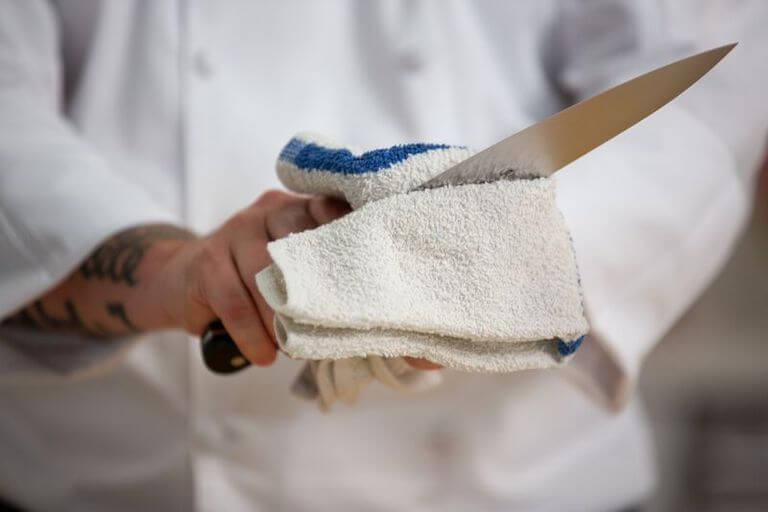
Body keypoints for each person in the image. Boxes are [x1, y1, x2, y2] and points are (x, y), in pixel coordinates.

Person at [0, 1, 766, 510]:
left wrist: (491, 271)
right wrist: (172, 271)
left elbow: (709, 71)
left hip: (519, 479)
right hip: (117, 474)